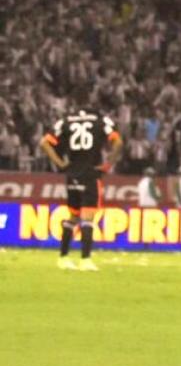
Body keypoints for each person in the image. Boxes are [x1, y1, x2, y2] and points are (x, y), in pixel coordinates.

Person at [39, 107, 123, 271]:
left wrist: (59, 163)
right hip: (90, 172)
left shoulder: (65, 121)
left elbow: (44, 143)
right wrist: (108, 164)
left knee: (73, 216)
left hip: (72, 173)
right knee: (88, 217)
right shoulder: (101, 120)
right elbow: (118, 142)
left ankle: (63, 258)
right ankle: (85, 260)